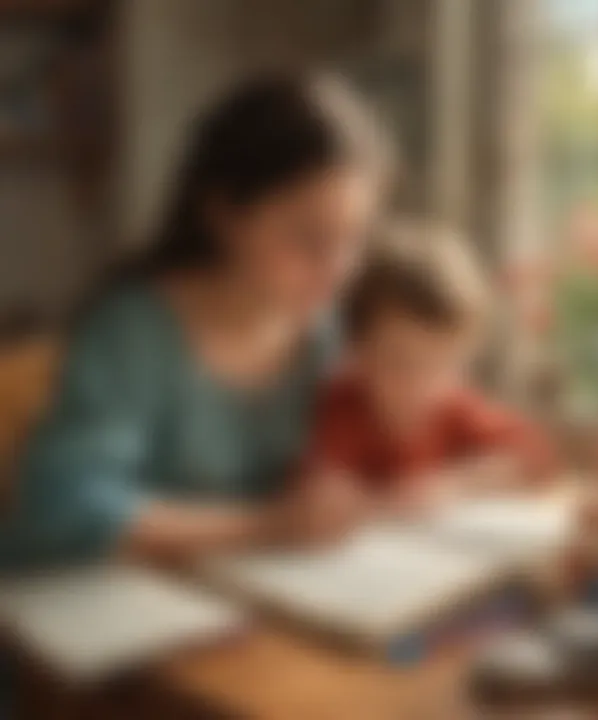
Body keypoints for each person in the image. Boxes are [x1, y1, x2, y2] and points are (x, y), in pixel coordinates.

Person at [0, 72, 390, 569]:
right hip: (82, 602)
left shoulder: (323, 331)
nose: (337, 270)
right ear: (224, 214)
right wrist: (269, 524)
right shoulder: (133, 331)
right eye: (307, 238)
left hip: (237, 595)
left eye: (354, 239)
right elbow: (65, 508)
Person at [300, 221, 556, 515]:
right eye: (399, 363)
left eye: (442, 365)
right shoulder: (342, 411)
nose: (421, 383)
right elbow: (321, 497)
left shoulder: (455, 408)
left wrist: (456, 485)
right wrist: (389, 501)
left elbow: (536, 457)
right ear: (357, 351)